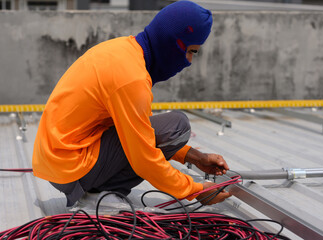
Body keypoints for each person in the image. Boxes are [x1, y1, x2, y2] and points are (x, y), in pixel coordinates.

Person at [32, 0, 232, 208]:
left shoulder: (124, 50)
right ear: (173, 43)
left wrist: (194, 156)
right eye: (191, 51)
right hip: (69, 167)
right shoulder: (131, 78)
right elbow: (143, 156)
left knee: (164, 131)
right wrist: (195, 190)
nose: (189, 61)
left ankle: (99, 189)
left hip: (58, 159)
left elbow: (139, 128)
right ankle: (101, 194)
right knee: (177, 126)